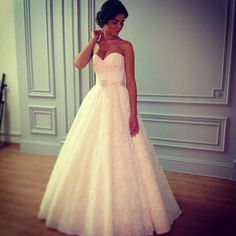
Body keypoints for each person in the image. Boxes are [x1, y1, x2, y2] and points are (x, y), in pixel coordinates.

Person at [38, 0, 181, 235]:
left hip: (120, 102)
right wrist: (94, 39)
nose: (119, 27)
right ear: (105, 19)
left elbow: (132, 82)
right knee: (91, 153)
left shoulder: (126, 46)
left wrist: (133, 113)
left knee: (124, 153)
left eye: (122, 23)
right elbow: (79, 63)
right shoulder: (96, 43)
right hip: (97, 100)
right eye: (115, 22)